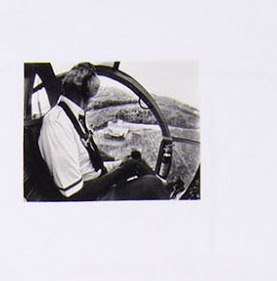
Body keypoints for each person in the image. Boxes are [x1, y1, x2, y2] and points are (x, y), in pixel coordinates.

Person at [36, 63, 176, 201]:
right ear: (88, 90)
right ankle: (164, 195)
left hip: (94, 180)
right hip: (87, 198)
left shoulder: (74, 117)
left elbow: (89, 162)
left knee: (136, 163)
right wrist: (120, 171)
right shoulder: (57, 122)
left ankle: (165, 189)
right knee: (152, 184)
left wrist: (119, 163)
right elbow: (74, 193)